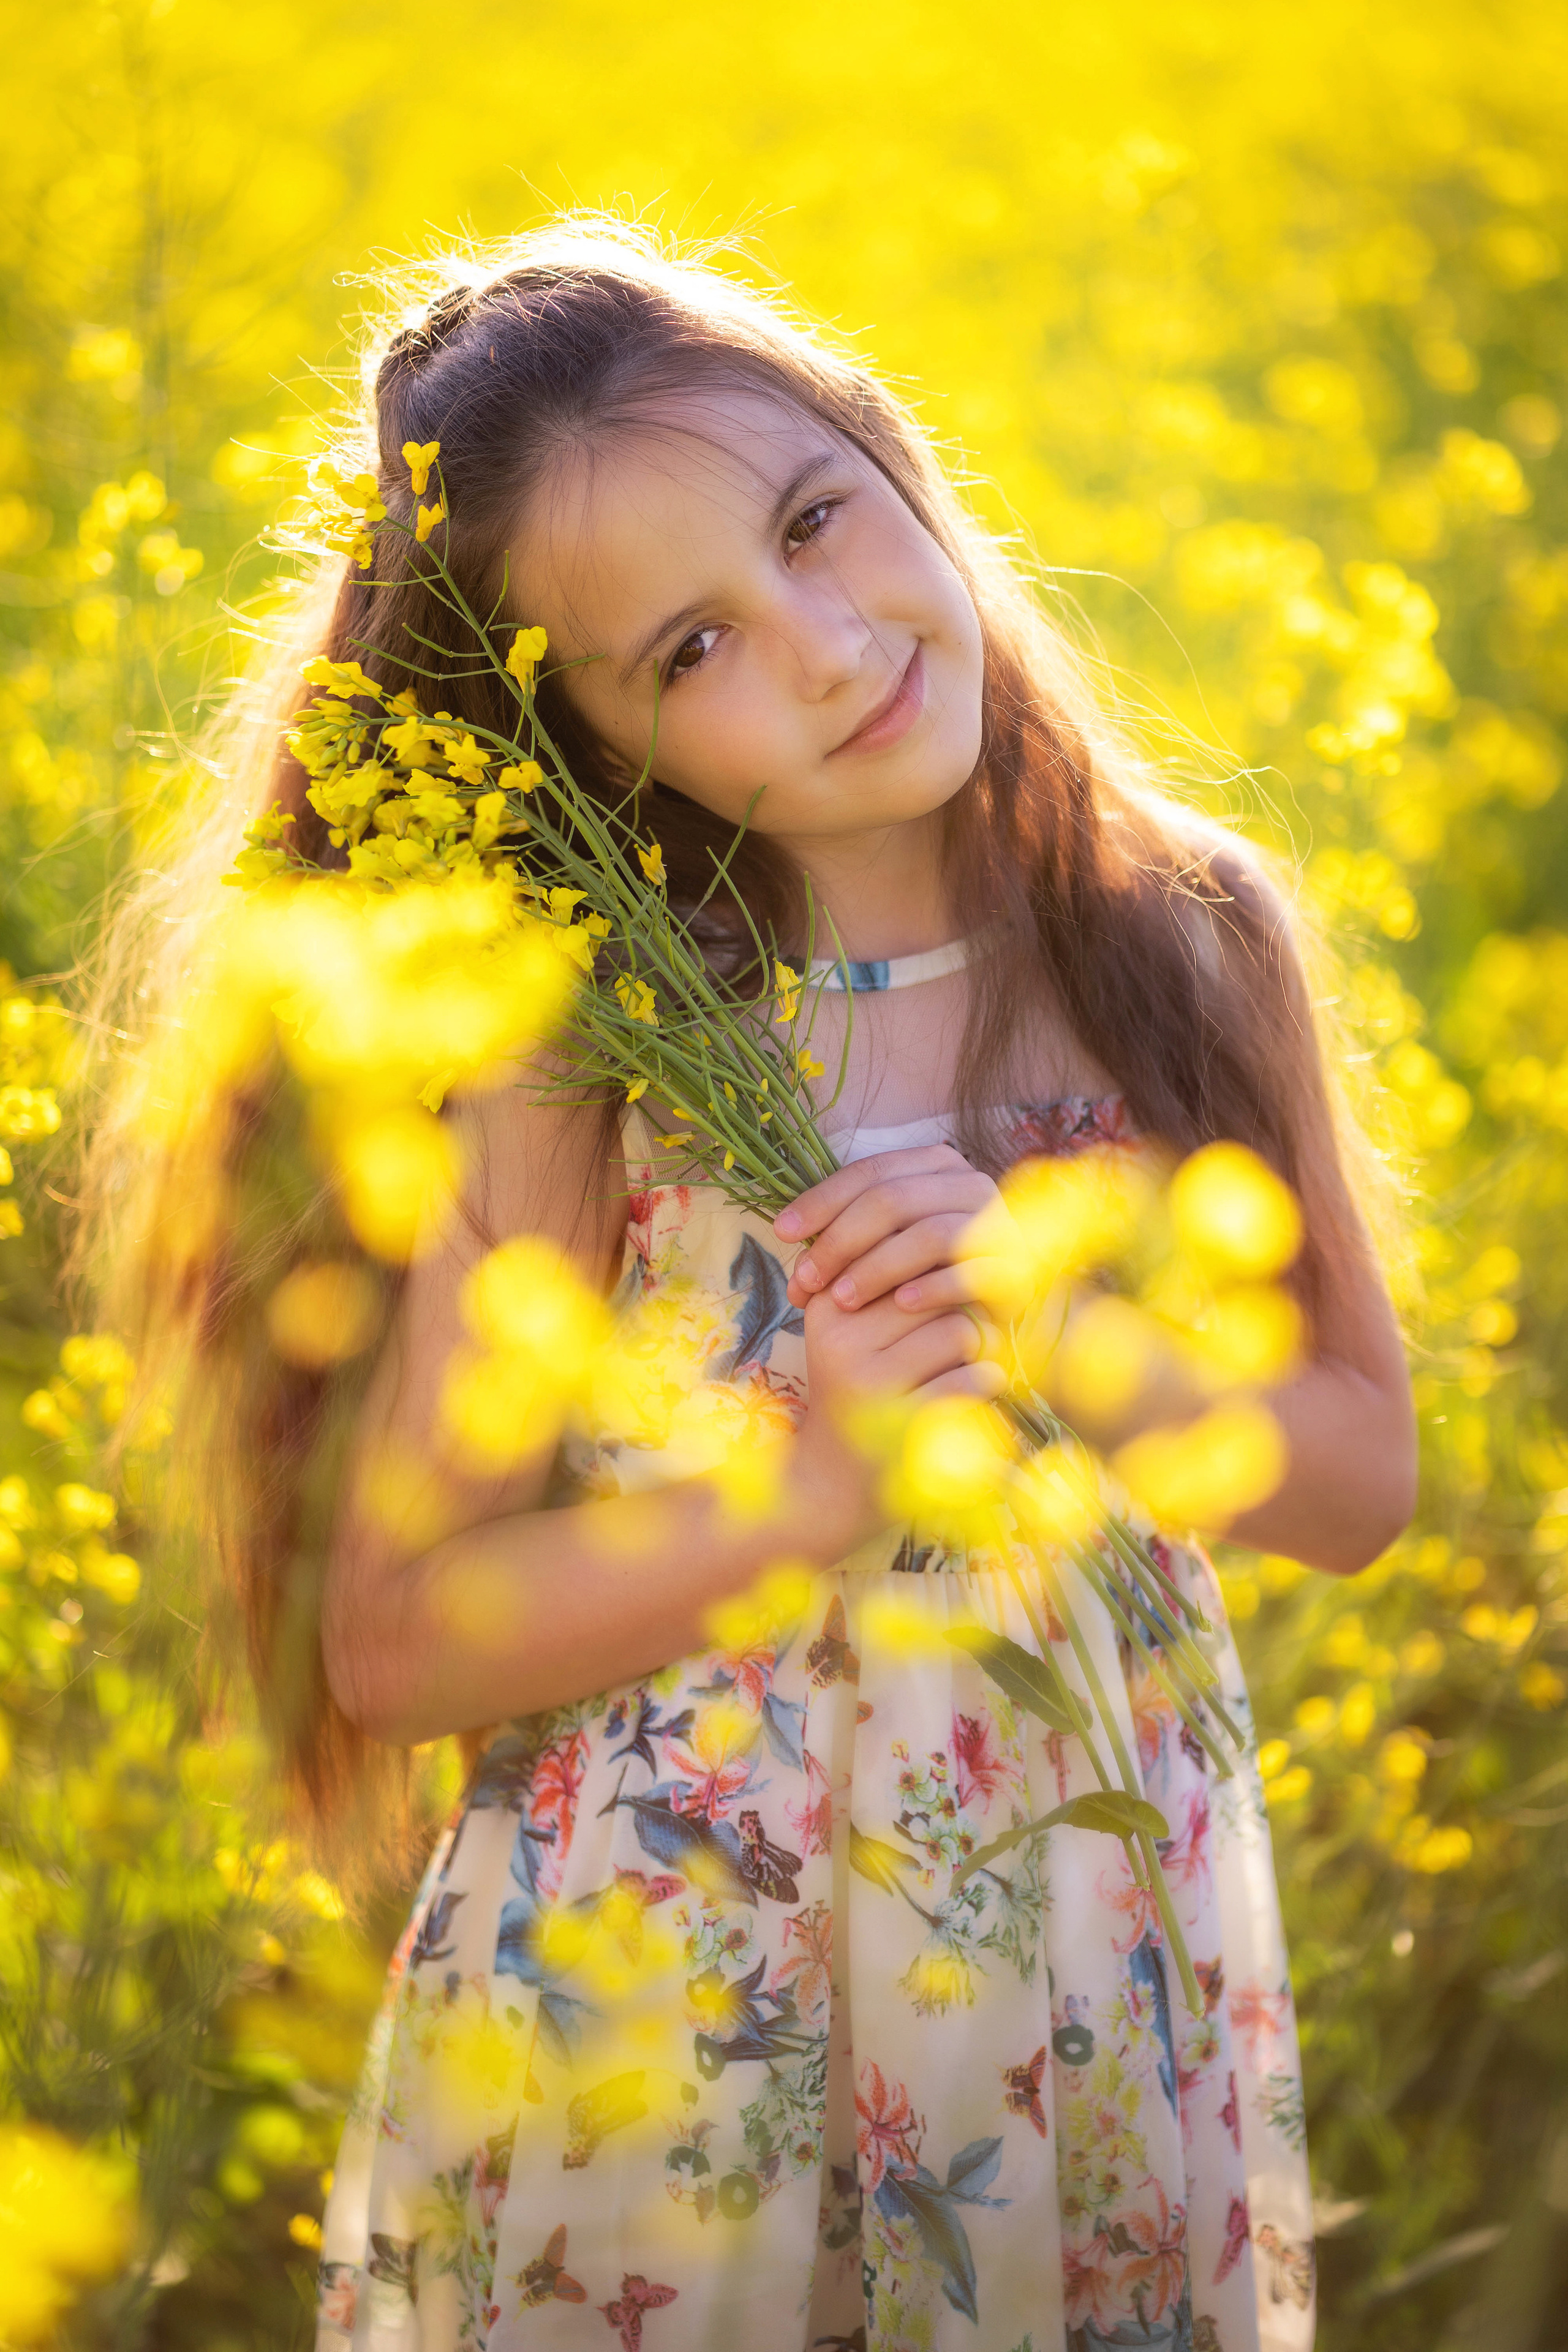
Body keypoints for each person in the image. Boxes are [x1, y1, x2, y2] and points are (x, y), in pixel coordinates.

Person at [87, 222, 1416, 2351]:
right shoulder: (581, 1053)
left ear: (892, 455)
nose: (821, 643)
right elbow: (398, 1640)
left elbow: (1355, 1487)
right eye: (690, 652)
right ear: (591, 748)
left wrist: (1065, 1320)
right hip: (669, 2001)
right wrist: (807, 1498)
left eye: (815, 522)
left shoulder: (1182, 937)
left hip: (1077, 1975)